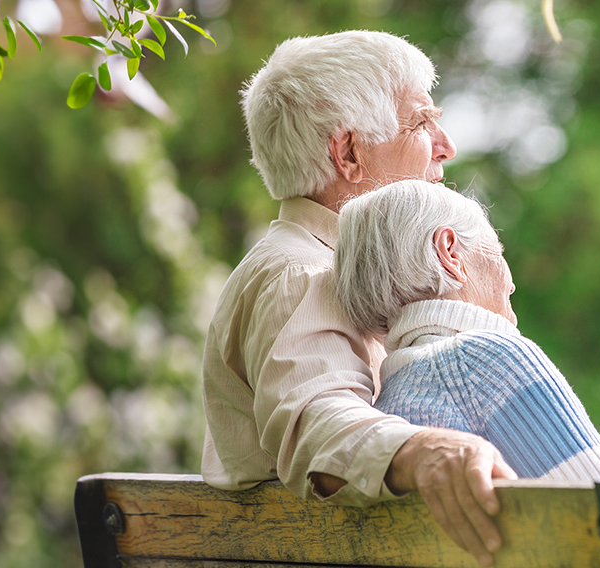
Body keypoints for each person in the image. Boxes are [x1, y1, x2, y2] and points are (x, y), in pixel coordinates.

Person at [200, 31, 515, 566]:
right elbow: (315, 418)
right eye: (421, 123)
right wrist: (425, 450)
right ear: (348, 152)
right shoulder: (303, 273)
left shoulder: (333, 268)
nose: (446, 145)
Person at [334, 180, 600, 482]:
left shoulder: (387, 402)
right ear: (449, 253)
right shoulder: (487, 360)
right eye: (498, 250)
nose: (511, 283)